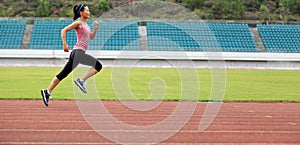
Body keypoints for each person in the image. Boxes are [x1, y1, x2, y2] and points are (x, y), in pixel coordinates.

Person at [41, 4, 102, 106]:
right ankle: (81, 80)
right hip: (78, 52)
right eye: (87, 10)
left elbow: (91, 37)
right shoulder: (78, 23)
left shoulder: (86, 25)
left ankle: (47, 92)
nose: (89, 12)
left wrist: (95, 29)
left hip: (76, 53)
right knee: (98, 66)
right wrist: (65, 44)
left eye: (89, 10)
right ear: (81, 13)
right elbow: (63, 30)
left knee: (63, 74)